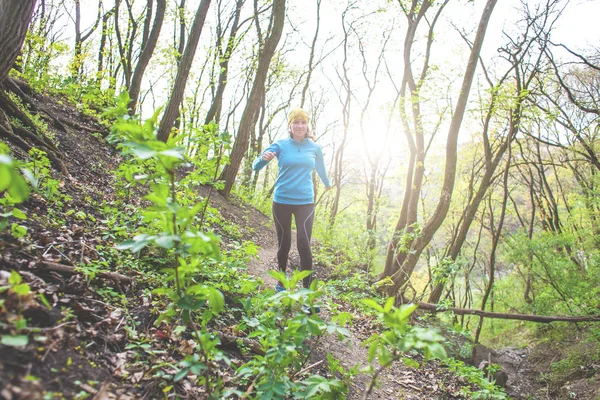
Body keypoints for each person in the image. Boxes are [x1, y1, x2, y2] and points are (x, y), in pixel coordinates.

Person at [252, 107, 331, 293]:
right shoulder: (280, 145)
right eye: (296, 122)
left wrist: (327, 183)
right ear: (290, 125)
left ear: (307, 125)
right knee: (284, 243)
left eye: (303, 122)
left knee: (304, 243)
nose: (300, 126)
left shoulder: (315, 148)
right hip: (282, 202)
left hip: (305, 202)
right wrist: (264, 159)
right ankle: (281, 281)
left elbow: (321, 169)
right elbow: (256, 166)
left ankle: (306, 290)